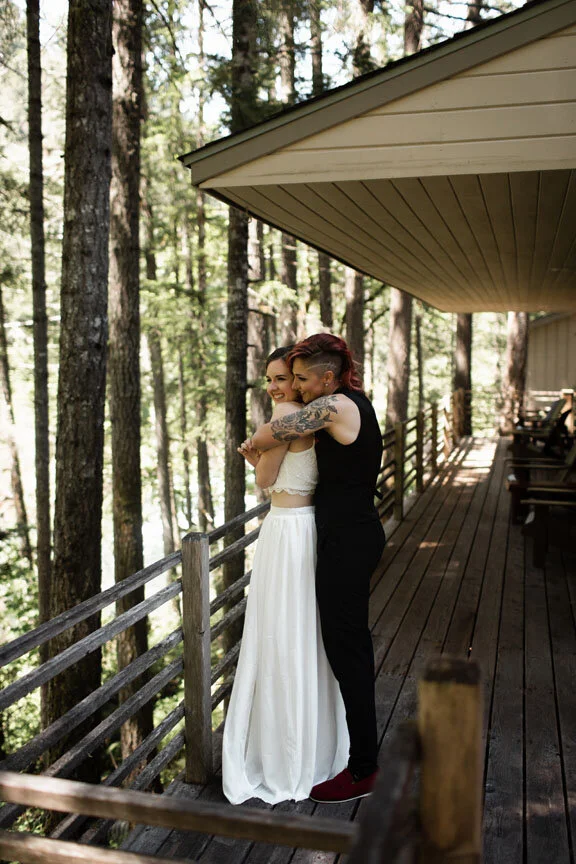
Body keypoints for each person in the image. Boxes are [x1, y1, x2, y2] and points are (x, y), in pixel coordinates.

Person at [246, 334, 386, 804]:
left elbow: (268, 436)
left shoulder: (336, 406)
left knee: (349, 650)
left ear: (328, 376)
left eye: (302, 378)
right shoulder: (348, 404)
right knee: (346, 646)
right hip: (344, 537)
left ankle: (363, 767)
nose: (298, 386)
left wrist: (259, 441)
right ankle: (352, 752)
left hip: (348, 541)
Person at [222, 346, 349, 806]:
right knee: (303, 633)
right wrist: (263, 459)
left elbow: (264, 480)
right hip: (305, 526)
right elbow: (278, 471)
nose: (274, 388)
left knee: (280, 635)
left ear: (298, 382)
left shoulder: (288, 418)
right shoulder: (308, 418)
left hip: (286, 531)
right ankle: (314, 749)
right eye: (270, 381)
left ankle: (282, 760)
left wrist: (256, 457)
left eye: (281, 378)